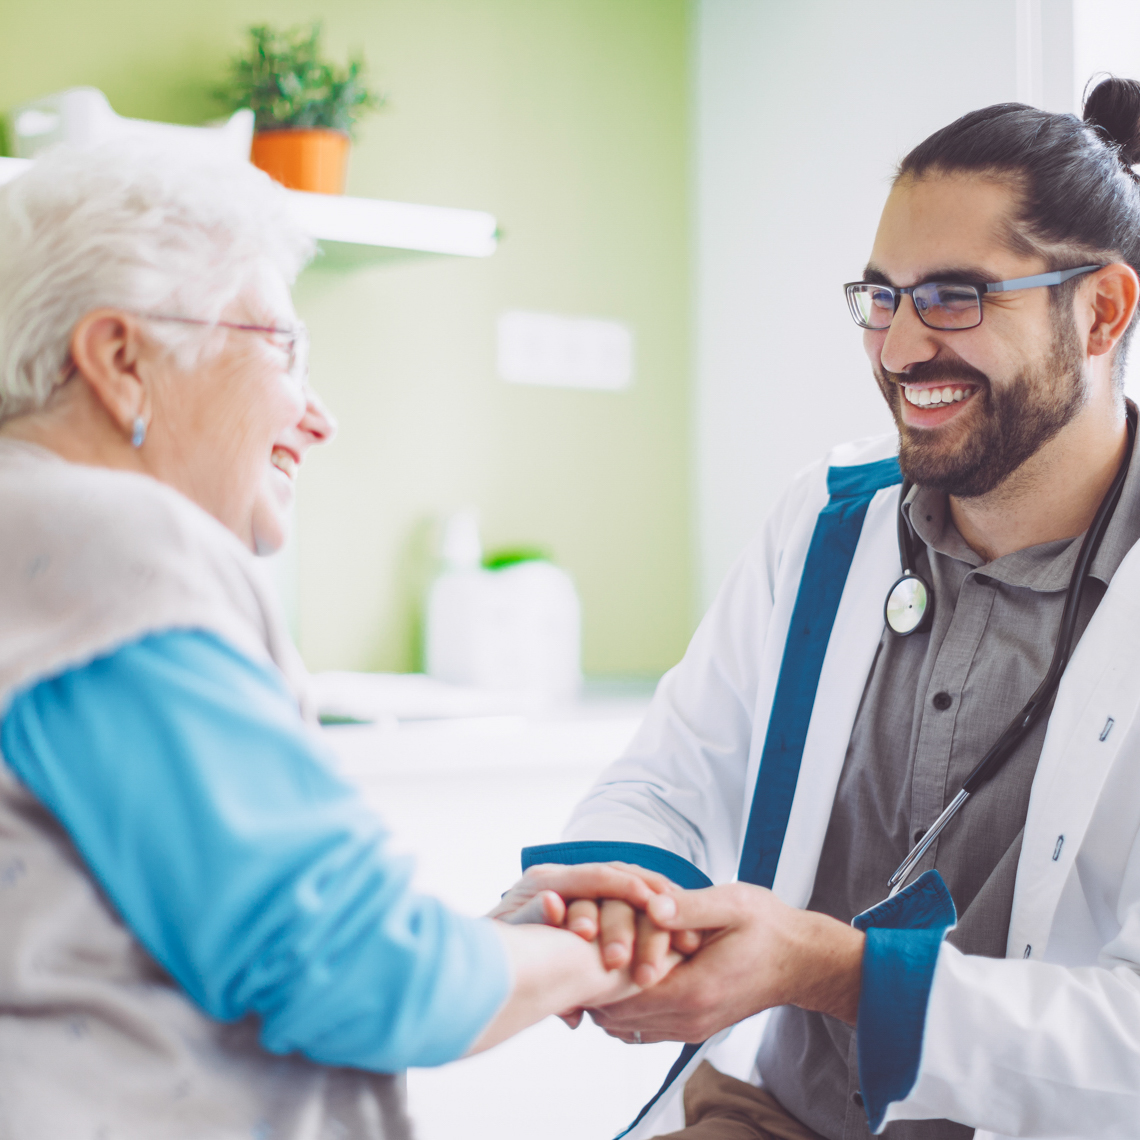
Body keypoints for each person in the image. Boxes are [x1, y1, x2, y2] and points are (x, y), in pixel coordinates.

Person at [0, 141, 683, 1140]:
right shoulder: (113, 547)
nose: (317, 417)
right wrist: (612, 950)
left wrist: (507, 936)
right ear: (119, 359)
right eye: (283, 348)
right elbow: (361, 978)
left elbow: (170, 931)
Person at [517, 77, 1140, 1139]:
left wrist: (839, 974)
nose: (899, 349)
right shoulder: (828, 522)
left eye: (955, 296)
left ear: (1102, 311)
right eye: (882, 297)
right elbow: (672, 779)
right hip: (773, 1110)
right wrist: (629, 903)